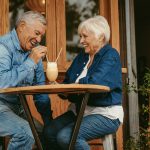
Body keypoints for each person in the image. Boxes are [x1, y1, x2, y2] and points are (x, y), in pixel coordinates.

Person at [43, 15, 124, 150]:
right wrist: (61, 89)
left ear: (100, 37)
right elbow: (68, 81)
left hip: (105, 113)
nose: (81, 41)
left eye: (85, 36)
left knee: (66, 137)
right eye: (80, 36)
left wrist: (70, 89)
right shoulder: (82, 57)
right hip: (79, 111)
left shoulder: (110, 55)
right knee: (49, 132)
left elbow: (94, 83)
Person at [0, 11, 53, 150]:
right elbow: (1, 82)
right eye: (37, 33)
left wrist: (49, 124)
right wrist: (30, 62)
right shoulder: (3, 47)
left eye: (41, 35)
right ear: (22, 26)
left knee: (45, 135)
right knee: (26, 134)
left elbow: (40, 91)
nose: (39, 39)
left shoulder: (33, 52)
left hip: (17, 108)